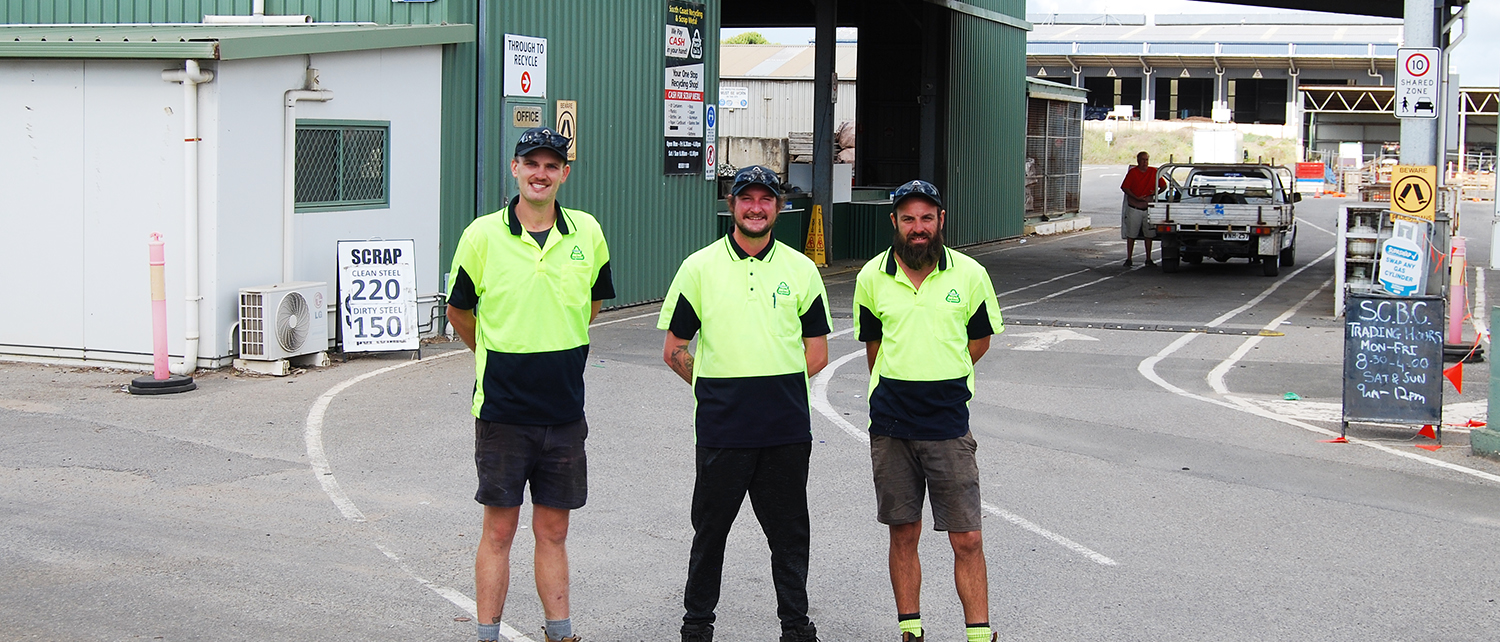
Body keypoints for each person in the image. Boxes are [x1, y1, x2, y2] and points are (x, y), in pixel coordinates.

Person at [446, 126, 614, 642]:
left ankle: (560, 633)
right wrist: (497, 356)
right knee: (499, 531)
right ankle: (486, 635)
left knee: (554, 531)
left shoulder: (587, 232)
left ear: (565, 173)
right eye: (531, 163)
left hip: (564, 411)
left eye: (551, 165)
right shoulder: (481, 236)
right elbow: (459, 311)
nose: (541, 173)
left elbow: (594, 302)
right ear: (515, 169)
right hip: (502, 411)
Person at [658, 165, 832, 642]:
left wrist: (772, 385)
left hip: (786, 430)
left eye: (766, 199)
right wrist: (713, 385)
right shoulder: (699, 268)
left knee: (790, 536)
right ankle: (696, 628)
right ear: (731, 205)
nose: (756, 207)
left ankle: (796, 627)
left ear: (779, 206)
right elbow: (675, 349)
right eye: (746, 198)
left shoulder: (801, 270)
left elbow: (817, 353)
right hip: (722, 429)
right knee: (710, 534)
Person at [852, 179, 1004, 642]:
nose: (918, 228)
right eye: (908, 218)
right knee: (903, 534)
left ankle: (979, 635)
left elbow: (978, 342)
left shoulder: (971, 275)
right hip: (892, 425)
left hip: (948, 423)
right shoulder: (871, 278)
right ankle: (911, 631)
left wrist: (942, 371)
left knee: (968, 538)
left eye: (926, 218)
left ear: (941, 220)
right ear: (894, 222)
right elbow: (874, 348)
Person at [1119, 151, 1166, 267]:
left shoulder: (1154, 172)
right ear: (1138, 161)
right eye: (1143, 160)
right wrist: (1136, 197)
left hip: (1148, 208)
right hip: (1134, 207)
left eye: (1146, 160)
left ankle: (1148, 258)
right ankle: (1129, 258)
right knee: (1131, 234)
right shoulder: (1133, 173)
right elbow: (1125, 187)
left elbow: (1163, 186)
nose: (1145, 162)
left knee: (1149, 234)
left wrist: (1154, 194)